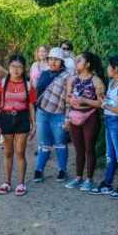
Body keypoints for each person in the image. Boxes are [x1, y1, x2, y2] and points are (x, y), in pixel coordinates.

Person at [0, 54, 37, 196]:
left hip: (22, 118)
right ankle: (7, 182)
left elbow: (31, 106)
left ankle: (21, 183)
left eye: (19, 67)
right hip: (5, 118)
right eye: (13, 66)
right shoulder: (1, 83)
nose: (16, 70)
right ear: (9, 67)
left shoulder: (28, 85)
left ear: (24, 69)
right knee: (8, 152)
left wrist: (33, 124)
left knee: (20, 152)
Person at [90, 55, 118, 198]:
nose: (107, 69)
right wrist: (103, 99)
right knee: (110, 156)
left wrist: (104, 105)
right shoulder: (111, 83)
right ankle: (107, 183)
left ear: (116, 69)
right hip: (109, 121)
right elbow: (111, 103)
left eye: (109, 66)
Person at [64, 51, 106, 192]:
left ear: (87, 64)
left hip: (90, 117)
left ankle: (89, 179)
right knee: (78, 149)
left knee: (89, 148)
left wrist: (84, 100)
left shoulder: (96, 81)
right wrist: (67, 116)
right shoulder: (72, 79)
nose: (76, 63)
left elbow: (102, 104)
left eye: (79, 60)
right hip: (74, 116)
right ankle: (78, 177)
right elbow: (67, 99)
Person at [33, 47, 72, 183]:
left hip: (59, 114)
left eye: (56, 60)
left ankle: (62, 170)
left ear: (62, 62)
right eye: (51, 59)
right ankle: (39, 170)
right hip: (42, 113)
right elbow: (37, 95)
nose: (53, 62)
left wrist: (67, 117)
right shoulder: (44, 74)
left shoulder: (67, 76)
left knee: (60, 142)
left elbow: (69, 98)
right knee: (43, 143)